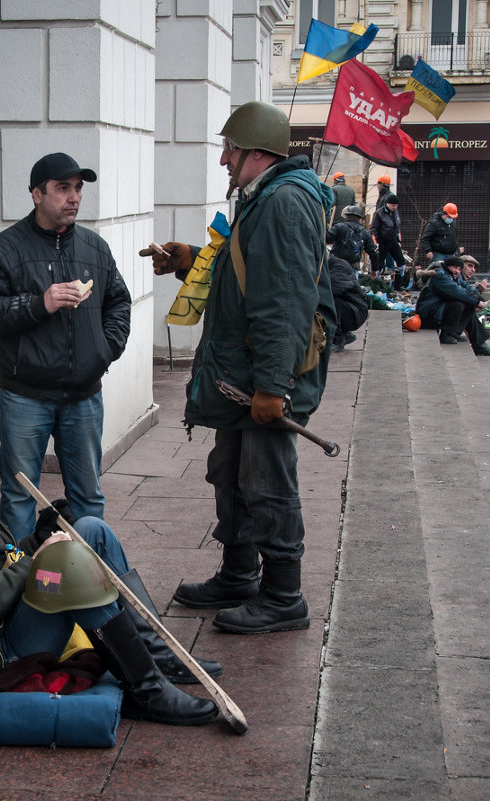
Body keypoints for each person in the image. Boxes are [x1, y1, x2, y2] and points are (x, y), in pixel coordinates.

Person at [143, 101, 336, 634]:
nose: (223, 158)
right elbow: (246, 273)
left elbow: (284, 302)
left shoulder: (284, 203)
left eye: (229, 148)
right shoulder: (262, 198)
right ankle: (239, 573)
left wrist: (273, 387)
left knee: (267, 481)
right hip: (239, 377)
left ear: (256, 153)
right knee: (230, 475)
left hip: (260, 379)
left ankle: (283, 595)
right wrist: (187, 261)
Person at [0, 411, 220, 726]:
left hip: (13, 619)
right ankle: (147, 690)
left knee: (91, 529)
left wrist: (37, 539)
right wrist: (38, 560)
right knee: (68, 563)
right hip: (4, 645)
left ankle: (156, 653)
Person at [0, 152, 132, 539]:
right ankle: (19, 582)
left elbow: (118, 302)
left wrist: (104, 350)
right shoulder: (4, 250)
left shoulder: (94, 249)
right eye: (62, 188)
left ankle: (94, 578)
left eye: (78, 189)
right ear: (37, 194)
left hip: (84, 397)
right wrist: (39, 303)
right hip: (25, 396)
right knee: (21, 494)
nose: (73, 197)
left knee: (88, 496)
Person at [416, 256, 490, 356]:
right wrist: (477, 302)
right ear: (448, 266)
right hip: (427, 316)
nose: (457, 271)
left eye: (460, 269)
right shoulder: (441, 276)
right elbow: (459, 292)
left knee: (467, 304)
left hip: (436, 312)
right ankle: (450, 335)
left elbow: (467, 287)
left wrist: (479, 299)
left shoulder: (453, 275)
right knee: (459, 304)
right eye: (455, 268)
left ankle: (476, 342)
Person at [328, 253, 369, 352]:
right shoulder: (330, 267)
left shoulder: (339, 267)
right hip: (351, 309)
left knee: (329, 301)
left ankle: (338, 339)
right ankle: (346, 334)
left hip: (357, 312)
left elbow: (334, 288)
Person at [369, 191, 408, 287]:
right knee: (379, 263)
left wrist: (398, 240)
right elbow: (373, 229)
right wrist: (375, 242)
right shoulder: (379, 213)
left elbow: (396, 227)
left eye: (396, 205)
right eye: (392, 205)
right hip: (382, 241)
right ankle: (376, 283)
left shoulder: (395, 212)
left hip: (393, 240)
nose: (394, 207)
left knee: (401, 261)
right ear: (387, 203)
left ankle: (400, 284)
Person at [327, 205, 377, 271]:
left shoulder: (339, 227)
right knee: (352, 281)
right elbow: (373, 252)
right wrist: (374, 269)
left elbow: (327, 238)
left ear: (347, 215)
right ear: (359, 218)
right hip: (353, 266)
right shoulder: (365, 233)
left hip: (336, 264)